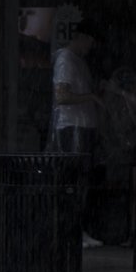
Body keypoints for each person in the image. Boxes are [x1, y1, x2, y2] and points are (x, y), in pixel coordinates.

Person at [50, 20, 103, 169]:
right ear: (82, 37)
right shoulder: (66, 60)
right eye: (90, 42)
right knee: (75, 173)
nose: (91, 47)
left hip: (83, 127)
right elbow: (62, 97)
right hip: (72, 128)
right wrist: (91, 97)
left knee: (83, 173)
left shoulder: (79, 61)